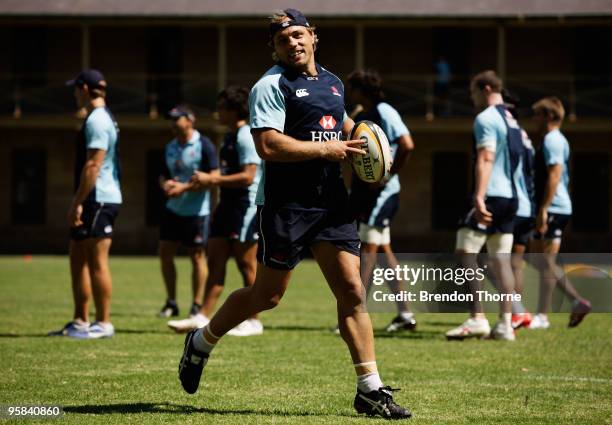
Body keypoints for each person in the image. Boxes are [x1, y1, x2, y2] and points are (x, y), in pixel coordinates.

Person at [177, 9, 411, 419]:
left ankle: (369, 389)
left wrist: (367, 145)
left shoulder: (334, 83)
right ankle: (201, 341)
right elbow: (269, 146)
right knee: (266, 296)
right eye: (284, 40)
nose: (294, 44)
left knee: (353, 292)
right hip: (287, 206)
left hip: (331, 205)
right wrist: (329, 149)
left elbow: (344, 125)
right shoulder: (269, 87)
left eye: (299, 35)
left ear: (314, 37)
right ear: (274, 46)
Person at [168, 86, 263, 337]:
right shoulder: (230, 136)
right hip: (226, 203)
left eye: (221, 107)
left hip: (245, 204)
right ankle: (201, 316)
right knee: (216, 257)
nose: (217, 112)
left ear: (234, 110)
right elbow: (225, 173)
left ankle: (254, 320)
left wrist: (212, 181)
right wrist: (204, 179)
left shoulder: (245, 135)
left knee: (245, 263)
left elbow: (249, 176)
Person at [446, 70, 523, 341]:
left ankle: (477, 318)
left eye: (473, 92)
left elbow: (486, 157)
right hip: (512, 198)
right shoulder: (513, 121)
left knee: (464, 253)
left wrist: (479, 196)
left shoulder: (486, 118)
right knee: (501, 261)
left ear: (486, 88)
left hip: (490, 194)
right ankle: (505, 325)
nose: (472, 98)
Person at [49, 69, 121, 339]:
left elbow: (93, 165)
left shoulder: (98, 120)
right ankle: (80, 320)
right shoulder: (99, 118)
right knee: (77, 257)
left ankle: (103, 323)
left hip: (98, 197)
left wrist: (76, 202)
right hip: (93, 197)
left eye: (75, 89)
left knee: (97, 261)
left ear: (85, 90)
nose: (74, 94)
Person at [345, 69, 417, 333]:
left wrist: (385, 177)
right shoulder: (363, 114)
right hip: (366, 192)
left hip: (381, 193)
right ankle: (405, 314)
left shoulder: (384, 111)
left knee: (367, 253)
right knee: (386, 257)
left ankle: (355, 311)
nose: (348, 94)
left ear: (360, 89)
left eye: (351, 88)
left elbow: (407, 144)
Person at [529, 97, 591, 329]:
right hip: (556, 207)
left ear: (549, 116)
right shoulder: (554, 139)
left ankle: (574, 302)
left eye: (537, 115)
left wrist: (543, 209)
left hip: (553, 207)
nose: (534, 119)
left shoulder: (552, 140)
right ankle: (545, 314)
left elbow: (554, 175)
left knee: (543, 261)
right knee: (543, 262)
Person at [157, 105, 219, 319]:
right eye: (171, 119)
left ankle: (196, 304)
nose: (173, 123)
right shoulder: (170, 146)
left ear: (190, 120)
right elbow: (163, 175)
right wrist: (166, 185)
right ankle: (171, 302)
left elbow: (213, 177)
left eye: (177, 119)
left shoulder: (204, 145)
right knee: (165, 254)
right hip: (173, 210)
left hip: (197, 211)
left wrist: (183, 188)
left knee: (197, 257)